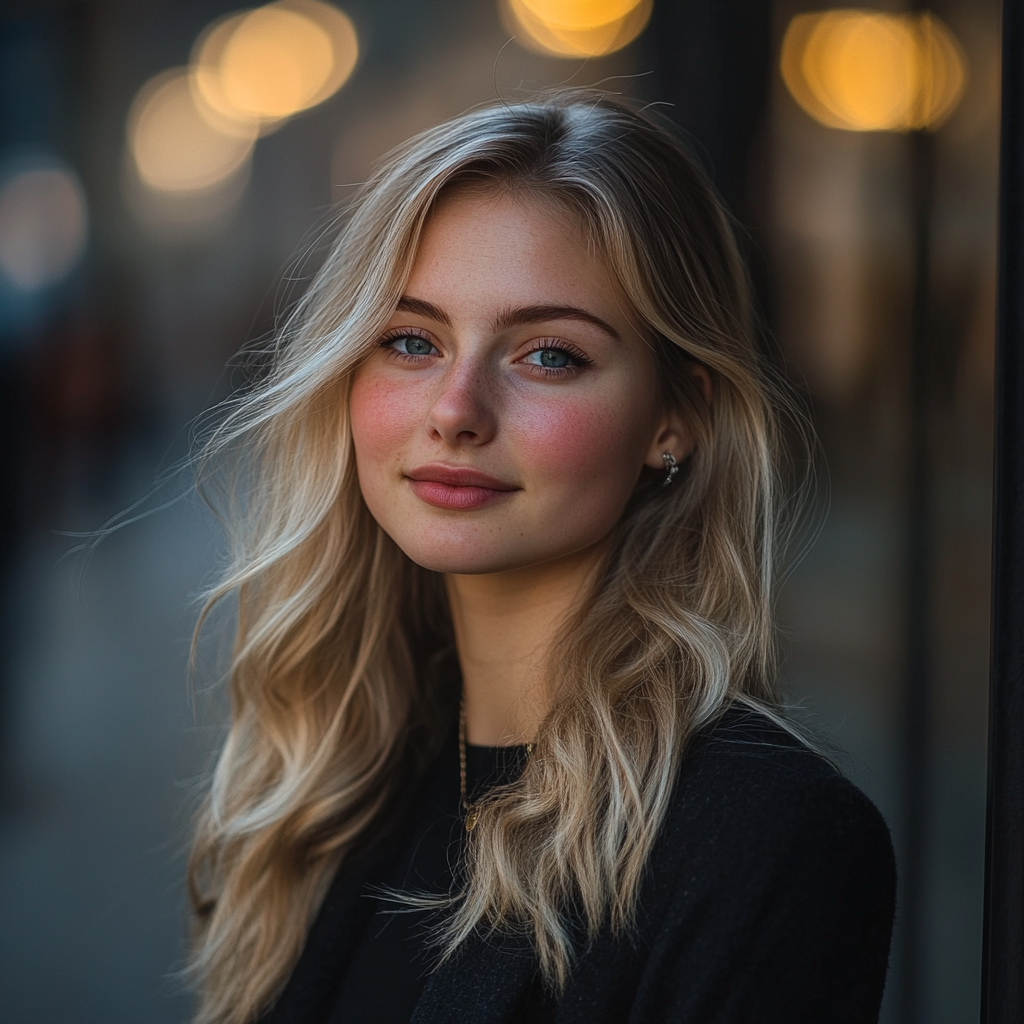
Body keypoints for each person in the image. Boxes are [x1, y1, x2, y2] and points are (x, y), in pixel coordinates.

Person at [186, 92, 896, 1024]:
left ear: (678, 418)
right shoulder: (347, 782)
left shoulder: (770, 838)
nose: (456, 408)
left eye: (549, 355)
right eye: (410, 341)